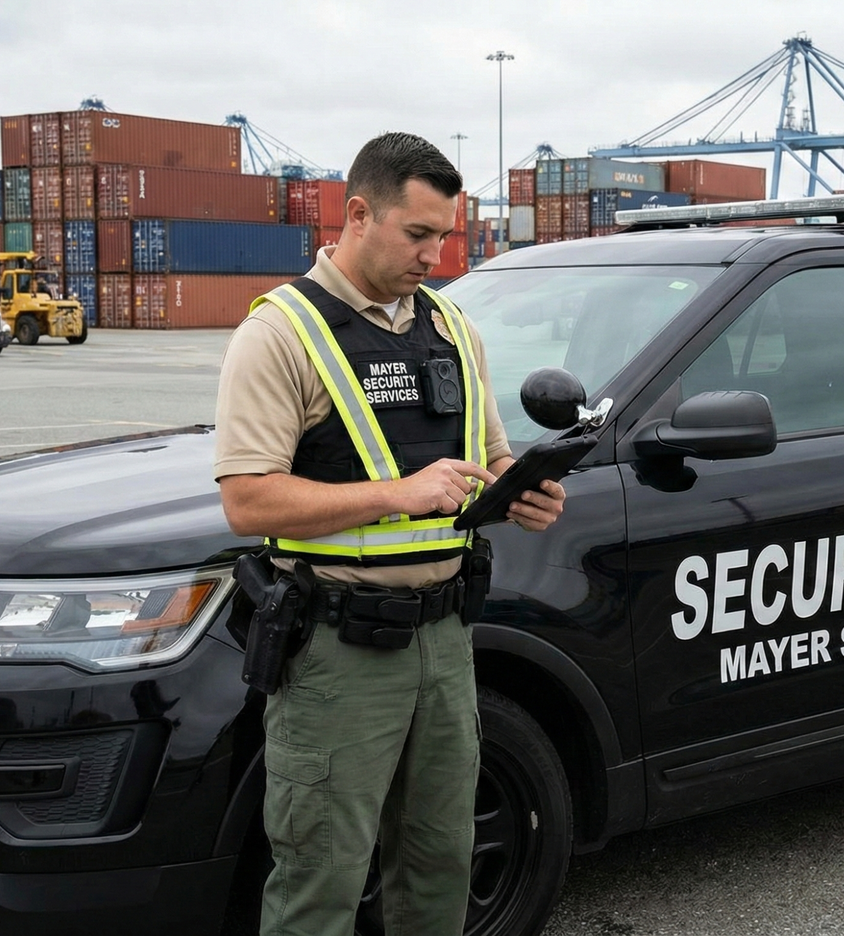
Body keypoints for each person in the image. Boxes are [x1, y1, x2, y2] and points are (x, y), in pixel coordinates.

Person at [213, 132, 565, 936]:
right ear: (358, 214)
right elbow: (247, 502)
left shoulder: (451, 326)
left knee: (440, 866)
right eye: (418, 234)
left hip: (445, 643)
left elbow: (490, 454)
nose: (435, 256)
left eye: (445, 236)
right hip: (339, 653)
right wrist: (398, 495)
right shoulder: (282, 332)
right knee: (321, 879)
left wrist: (521, 490)